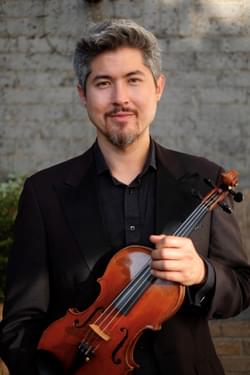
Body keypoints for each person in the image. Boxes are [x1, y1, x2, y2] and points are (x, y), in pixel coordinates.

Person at [0, 18, 250, 375]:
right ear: (82, 94)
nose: (120, 99)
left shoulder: (206, 179)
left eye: (134, 80)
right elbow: (18, 325)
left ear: (158, 87)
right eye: (103, 83)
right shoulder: (44, 194)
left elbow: (241, 288)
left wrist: (203, 274)